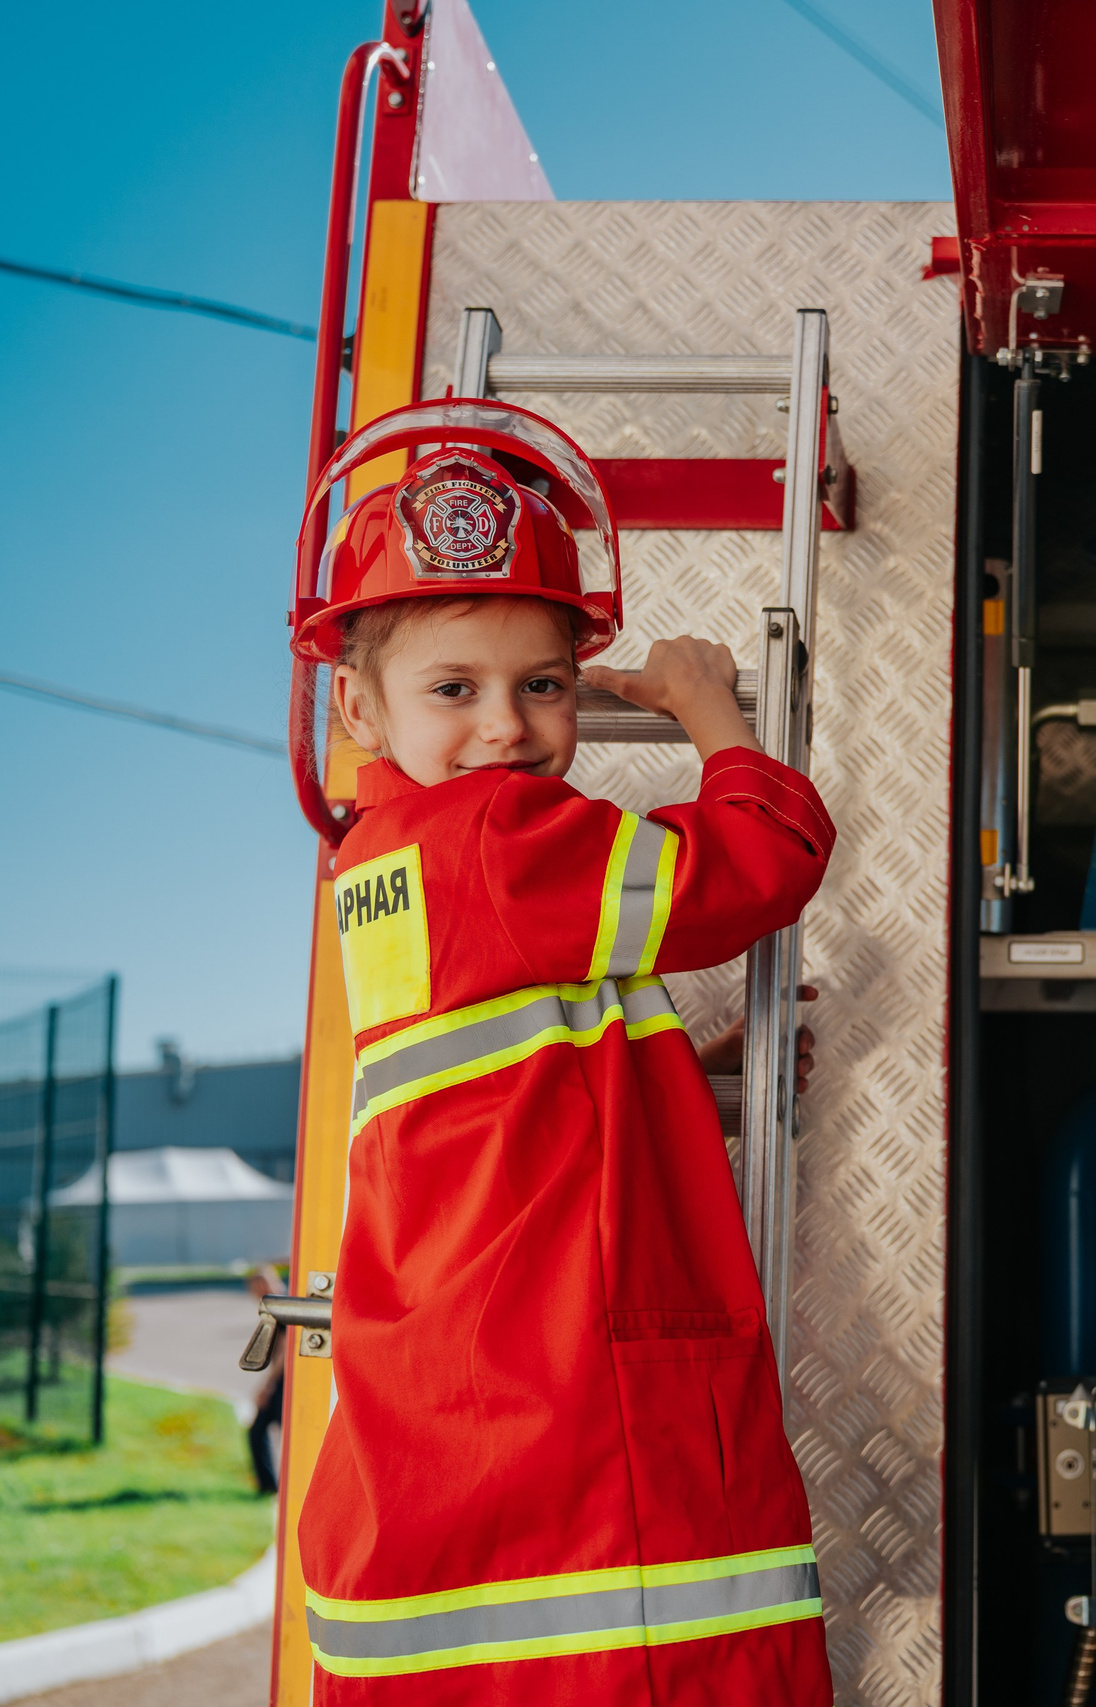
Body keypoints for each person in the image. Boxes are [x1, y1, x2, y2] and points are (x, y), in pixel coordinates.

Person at [288, 403, 836, 1704]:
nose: (507, 728)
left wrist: (680, 1068)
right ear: (357, 700)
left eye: (542, 684)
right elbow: (763, 863)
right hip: (574, 1427)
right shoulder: (508, 838)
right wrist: (716, 719)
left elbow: (514, 1092)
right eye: (454, 688)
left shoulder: (380, 870)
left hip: (447, 1427)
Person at [244, 1262, 285, 1496]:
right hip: (280, 1381)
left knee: (262, 1430)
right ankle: (269, 1485)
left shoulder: (281, 1305)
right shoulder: (275, 1304)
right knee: (261, 1431)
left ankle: (271, 1486)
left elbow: (284, 1351)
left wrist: (267, 1387)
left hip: (284, 1381)